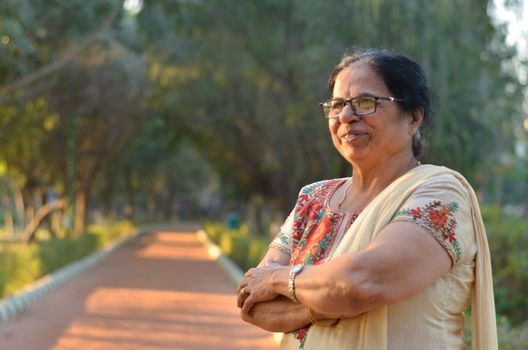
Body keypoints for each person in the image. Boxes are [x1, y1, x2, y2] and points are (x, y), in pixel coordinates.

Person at [236, 48, 497, 350]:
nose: (346, 116)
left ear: (413, 118)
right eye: (336, 105)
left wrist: (277, 280)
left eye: (365, 102)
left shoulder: (440, 192)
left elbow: (364, 282)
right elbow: (252, 303)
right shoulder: (312, 198)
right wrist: (330, 301)